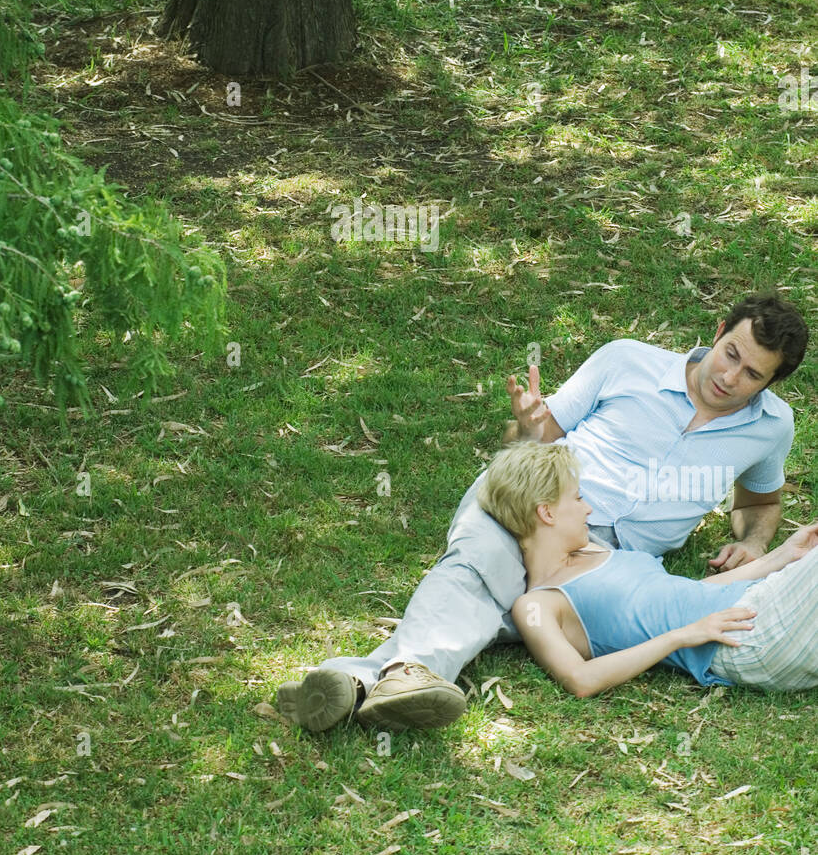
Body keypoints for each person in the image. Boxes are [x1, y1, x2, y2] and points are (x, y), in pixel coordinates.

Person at [277, 291, 808, 732]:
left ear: (771, 383)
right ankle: (406, 672)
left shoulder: (771, 426)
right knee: (478, 569)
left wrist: (754, 540)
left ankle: (357, 681)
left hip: (613, 560)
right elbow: (533, 439)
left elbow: (760, 501)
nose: (730, 378)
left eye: (752, 375)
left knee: (503, 603)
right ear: (718, 331)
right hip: (545, 499)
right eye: (731, 354)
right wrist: (529, 428)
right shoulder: (627, 361)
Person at [481, 438, 818, 695]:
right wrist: (682, 637)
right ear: (547, 513)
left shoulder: (594, 551)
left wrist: (783, 556)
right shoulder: (537, 604)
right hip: (742, 639)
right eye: (578, 498)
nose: (588, 509)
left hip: (757, 602)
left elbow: (688, 593)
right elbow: (579, 679)